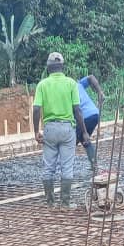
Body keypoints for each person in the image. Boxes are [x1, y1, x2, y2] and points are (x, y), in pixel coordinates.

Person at [33, 52, 90, 207]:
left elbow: (36, 109)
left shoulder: (42, 85)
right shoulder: (71, 83)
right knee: (67, 167)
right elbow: (77, 110)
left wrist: (36, 131)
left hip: (50, 129)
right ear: (62, 66)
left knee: (48, 168)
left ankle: (50, 203)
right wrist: (84, 132)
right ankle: (65, 203)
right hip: (67, 129)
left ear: (48, 67)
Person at [76, 74, 104, 172]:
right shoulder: (78, 84)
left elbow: (76, 111)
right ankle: (94, 165)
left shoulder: (67, 89)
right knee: (84, 139)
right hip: (95, 114)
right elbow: (91, 77)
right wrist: (100, 92)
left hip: (84, 117)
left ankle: (65, 166)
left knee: (72, 141)